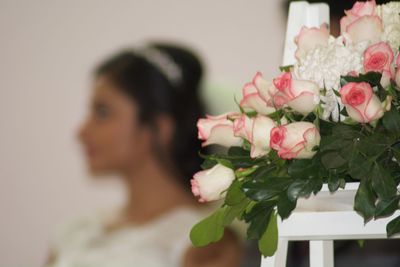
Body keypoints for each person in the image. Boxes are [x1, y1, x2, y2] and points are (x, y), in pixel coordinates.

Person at [46, 43, 242, 267]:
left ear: (159, 129)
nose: (81, 131)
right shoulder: (74, 232)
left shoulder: (206, 241)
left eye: (102, 112)